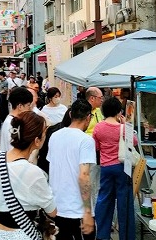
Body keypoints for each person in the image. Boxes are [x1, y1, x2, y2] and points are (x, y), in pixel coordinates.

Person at [0, 111, 57, 240]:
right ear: (37, 141)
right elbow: (52, 211)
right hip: (23, 234)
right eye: (44, 134)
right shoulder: (34, 173)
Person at [48, 99, 96, 240]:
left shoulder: (54, 136)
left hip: (56, 207)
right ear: (88, 117)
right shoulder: (86, 141)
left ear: (70, 114)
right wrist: (87, 211)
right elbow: (84, 176)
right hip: (76, 211)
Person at [92, 96, 136, 240]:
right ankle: (126, 236)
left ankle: (102, 234)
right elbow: (134, 142)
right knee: (124, 203)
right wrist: (126, 124)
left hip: (105, 167)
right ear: (119, 111)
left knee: (104, 200)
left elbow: (96, 147)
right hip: (122, 167)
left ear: (103, 111)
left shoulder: (98, 127)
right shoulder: (123, 128)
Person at [0, 87, 33, 152]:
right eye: (28, 105)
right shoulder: (13, 124)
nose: (30, 109)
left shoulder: (9, 120)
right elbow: (12, 149)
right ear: (20, 106)